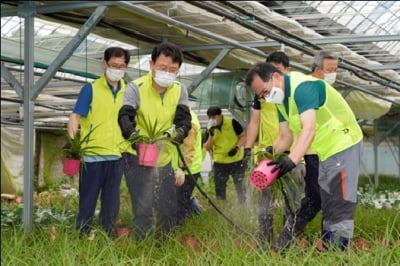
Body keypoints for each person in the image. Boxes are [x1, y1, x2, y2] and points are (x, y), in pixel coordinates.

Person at [245, 62, 363, 251]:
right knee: (325, 200)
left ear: (276, 76)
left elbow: (309, 129)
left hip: (343, 143)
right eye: (261, 96)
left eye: (265, 92)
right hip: (323, 151)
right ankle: (330, 250)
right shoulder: (281, 101)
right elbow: (285, 137)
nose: (266, 98)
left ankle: (337, 254)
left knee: (339, 202)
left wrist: (291, 160)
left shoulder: (303, 88)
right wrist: (266, 156)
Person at [117, 42, 192, 241]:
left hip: (164, 156)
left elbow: (184, 119)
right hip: (137, 156)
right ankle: (142, 248)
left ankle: (163, 246)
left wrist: (179, 132)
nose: (167, 73)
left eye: (173, 70)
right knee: (143, 207)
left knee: (167, 207)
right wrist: (136, 139)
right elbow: (125, 117)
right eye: (162, 68)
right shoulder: (136, 87)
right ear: (151, 64)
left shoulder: (179, 90)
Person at [276, 50, 340, 249]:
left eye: (336, 70)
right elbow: (298, 131)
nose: (333, 74)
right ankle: (288, 236)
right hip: (312, 154)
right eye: (330, 70)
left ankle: (328, 245)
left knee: (330, 200)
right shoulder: (303, 89)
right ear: (317, 70)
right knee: (316, 198)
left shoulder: (326, 92)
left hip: (331, 152)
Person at [67, 47, 130, 238]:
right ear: (104, 64)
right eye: (113, 65)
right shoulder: (90, 89)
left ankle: (108, 235)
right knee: (88, 199)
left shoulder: (128, 91)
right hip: (92, 157)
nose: (117, 70)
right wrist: (74, 148)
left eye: (121, 66)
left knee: (112, 201)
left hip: (116, 155)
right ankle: (82, 234)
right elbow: (75, 117)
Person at [243, 51, 304, 248]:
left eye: (278, 71)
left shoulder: (294, 93)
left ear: (286, 71)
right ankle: (265, 241)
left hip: (292, 154)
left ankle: (289, 243)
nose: (273, 78)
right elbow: (254, 122)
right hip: (268, 154)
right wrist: (248, 148)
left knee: (292, 202)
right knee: (264, 203)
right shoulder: (262, 96)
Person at [203, 106, 247, 203]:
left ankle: (243, 204)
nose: (211, 120)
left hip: (236, 159)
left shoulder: (232, 123)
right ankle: (221, 205)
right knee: (219, 186)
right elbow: (207, 147)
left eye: (214, 117)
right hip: (220, 161)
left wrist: (236, 148)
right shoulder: (209, 128)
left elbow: (243, 136)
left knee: (240, 184)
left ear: (220, 115)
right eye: (209, 117)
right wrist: (211, 135)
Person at [173, 109, 203, 223]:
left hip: (187, 170)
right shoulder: (181, 115)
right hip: (181, 168)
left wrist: (182, 169)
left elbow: (188, 149)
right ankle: (195, 211)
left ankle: (178, 227)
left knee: (178, 202)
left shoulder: (189, 121)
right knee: (181, 197)